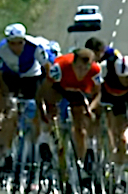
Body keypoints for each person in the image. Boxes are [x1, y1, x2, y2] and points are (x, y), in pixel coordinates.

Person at [0, 23, 52, 178]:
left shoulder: (35, 46)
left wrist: (45, 94)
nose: (16, 47)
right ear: (7, 42)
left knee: (36, 109)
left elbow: (48, 70)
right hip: (11, 77)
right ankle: (6, 153)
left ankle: (36, 143)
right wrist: (5, 96)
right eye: (12, 43)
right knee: (10, 113)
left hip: (32, 78)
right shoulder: (0, 49)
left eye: (19, 43)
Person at [37, 48, 101, 178]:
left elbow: (98, 93)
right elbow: (44, 90)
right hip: (59, 87)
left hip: (79, 92)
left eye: (85, 68)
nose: (82, 71)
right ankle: (45, 138)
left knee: (80, 125)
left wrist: (91, 108)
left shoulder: (95, 71)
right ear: (73, 63)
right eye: (79, 68)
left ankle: (81, 162)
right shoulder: (59, 67)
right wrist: (46, 108)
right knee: (51, 108)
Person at [94, 53, 128, 181]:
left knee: (122, 138)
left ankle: (117, 174)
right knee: (105, 126)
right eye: (121, 78)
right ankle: (97, 155)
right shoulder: (105, 68)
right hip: (104, 95)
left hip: (122, 101)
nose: (125, 81)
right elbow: (94, 90)